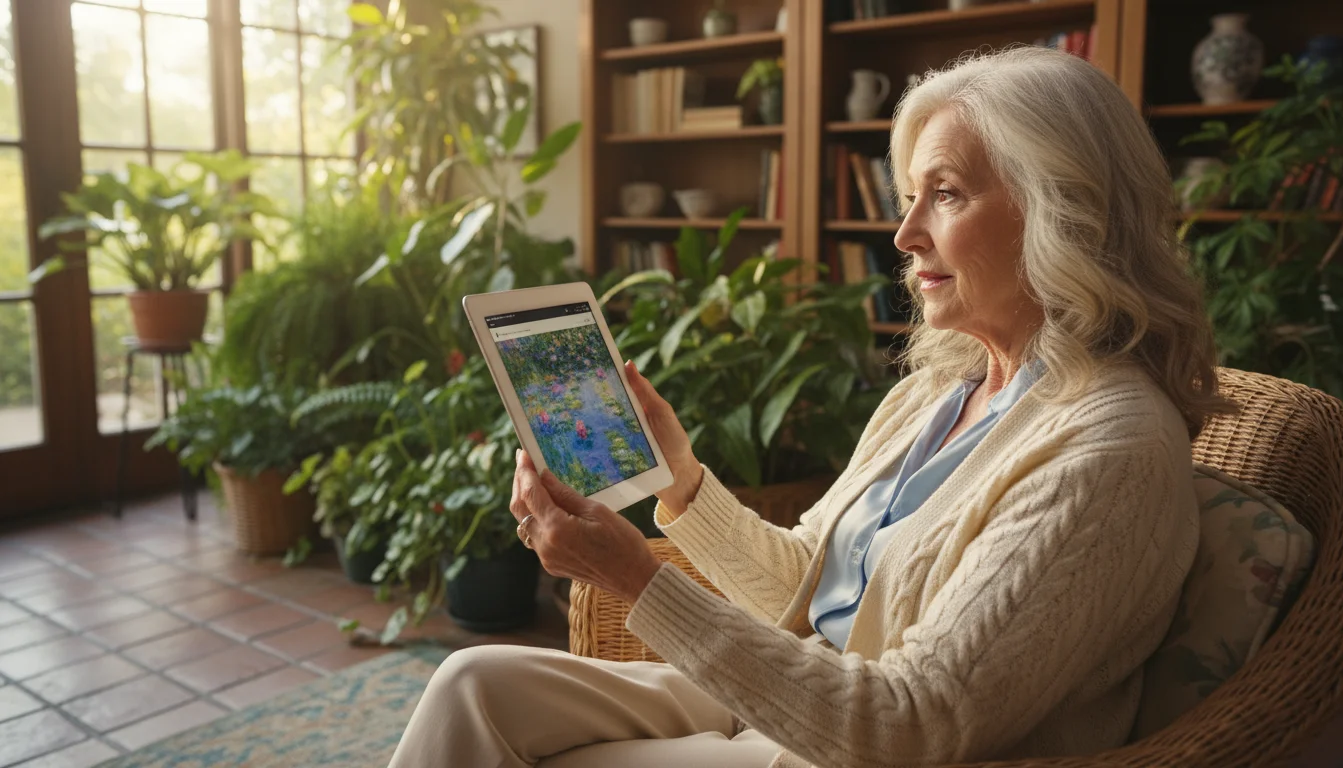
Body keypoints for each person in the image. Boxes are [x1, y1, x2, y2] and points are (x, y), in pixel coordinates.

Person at [388, 45, 1228, 768]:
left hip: (855, 744)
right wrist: (681, 483)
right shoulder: (939, 393)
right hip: (799, 693)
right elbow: (808, 588)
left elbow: (912, 722)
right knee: (473, 685)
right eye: (908, 195)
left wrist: (629, 573)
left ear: (1063, 212)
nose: (904, 236)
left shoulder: (1111, 449)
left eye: (945, 194)